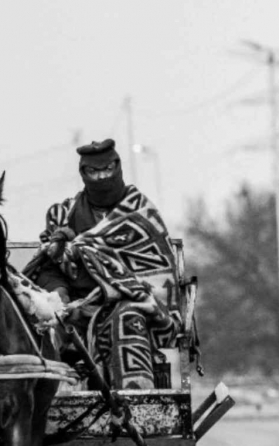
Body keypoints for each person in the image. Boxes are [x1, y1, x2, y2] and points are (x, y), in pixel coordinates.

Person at [29, 138, 178, 390]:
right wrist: (61, 295)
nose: (101, 178)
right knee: (40, 327)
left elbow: (157, 272)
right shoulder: (62, 214)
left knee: (126, 319)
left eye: (107, 170)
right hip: (76, 306)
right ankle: (43, 405)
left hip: (132, 302)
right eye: (93, 172)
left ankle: (136, 402)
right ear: (83, 173)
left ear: (118, 167)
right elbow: (47, 267)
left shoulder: (141, 211)